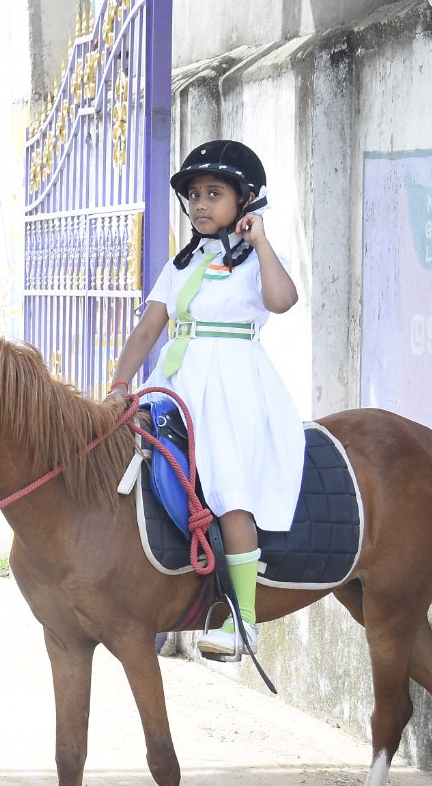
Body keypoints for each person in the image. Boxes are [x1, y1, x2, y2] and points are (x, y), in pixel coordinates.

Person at [105, 140, 303, 659]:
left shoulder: (255, 261)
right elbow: (149, 329)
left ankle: (243, 621)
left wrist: (260, 243)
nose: (200, 204)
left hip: (233, 383)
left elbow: (283, 302)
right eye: (194, 195)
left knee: (226, 485)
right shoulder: (181, 263)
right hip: (180, 380)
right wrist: (120, 384)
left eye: (214, 193)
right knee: (144, 468)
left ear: (246, 200)